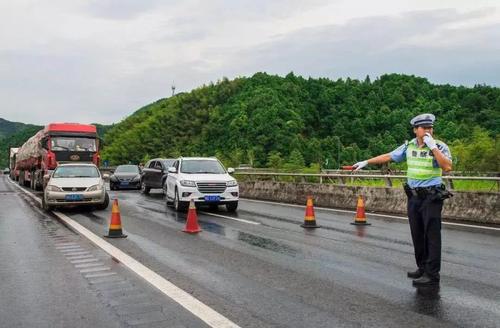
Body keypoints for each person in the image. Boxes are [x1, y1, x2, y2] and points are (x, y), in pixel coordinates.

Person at [352, 113, 452, 287]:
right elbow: (389, 156)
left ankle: (432, 274)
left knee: (432, 236)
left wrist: (433, 147)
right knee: (417, 234)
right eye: (424, 128)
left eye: (430, 127)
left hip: (431, 196)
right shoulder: (409, 146)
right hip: (414, 197)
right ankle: (422, 268)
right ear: (415, 130)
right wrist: (366, 162)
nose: (428, 130)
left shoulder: (440, 146)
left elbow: (447, 167)